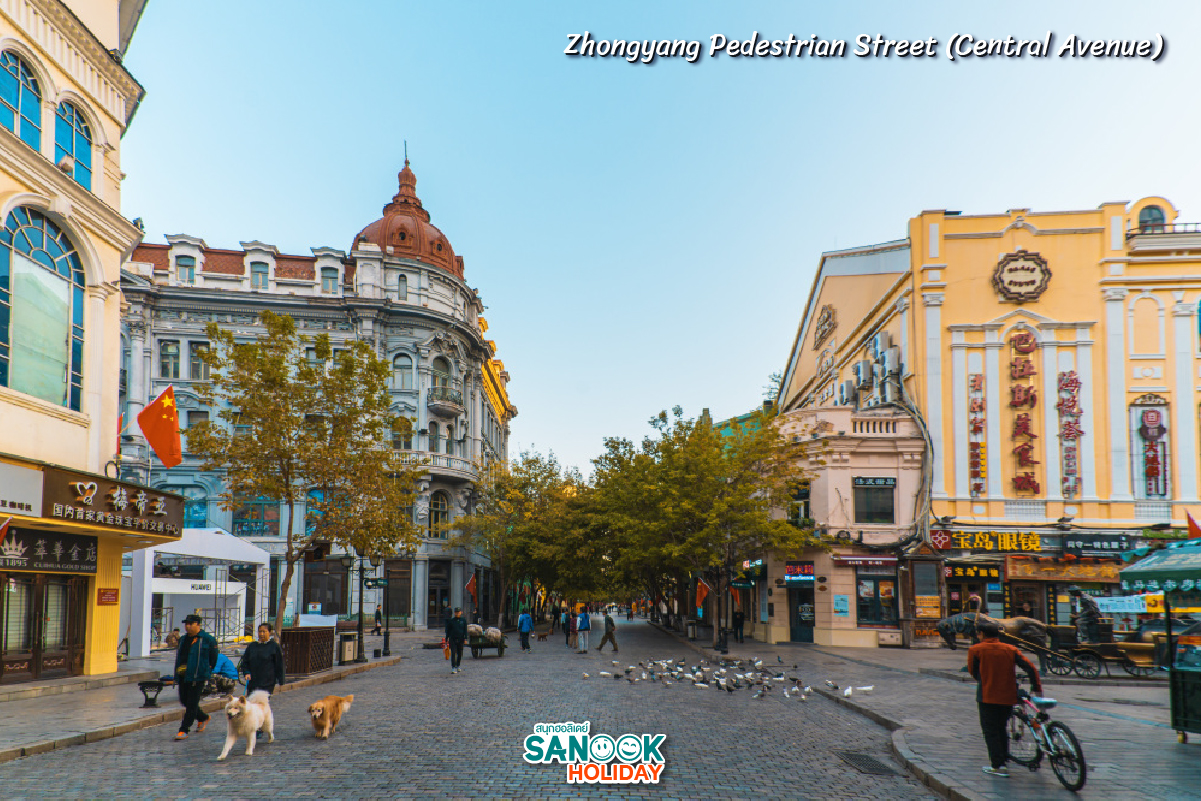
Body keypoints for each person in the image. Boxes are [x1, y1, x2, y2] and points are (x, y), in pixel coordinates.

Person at [967, 620, 1043, 777]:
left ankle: (998, 765)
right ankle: (1004, 758)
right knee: (1002, 727)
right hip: (1008, 696)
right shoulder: (1010, 649)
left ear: (981, 634)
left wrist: (985, 679)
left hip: (987, 695)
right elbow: (1030, 667)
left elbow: (973, 672)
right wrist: (1036, 688)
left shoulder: (976, 649)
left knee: (990, 730)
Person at [174, 614, 218, 741]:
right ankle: (203, 717)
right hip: (183, 675)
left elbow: (213, 657)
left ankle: (183, 729)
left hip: (198, 675)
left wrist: (207, 669)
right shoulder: (183, 639)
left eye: (190, 624)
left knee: (192, 703)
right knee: (184, 701)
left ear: (198, 625)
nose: (187, 626)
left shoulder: (207, 639)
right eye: (186, 624)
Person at [239, 623, 286, 694]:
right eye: (260, 631)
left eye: (264, 631)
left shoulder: (274, 646)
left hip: (267, 682)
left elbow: (279, 664)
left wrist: (281, 681)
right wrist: (246, 672)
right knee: (252, 702)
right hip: (253, 682)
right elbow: (245, 661)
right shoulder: (252, 646)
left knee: (262, 703)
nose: (261, 634)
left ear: (270, 632)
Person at [445, 606, 467, 674]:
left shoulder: (463, 620)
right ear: (454, 613)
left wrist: (465, 638)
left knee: (460, 653)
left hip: (460, 638)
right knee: (453, 653)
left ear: (461, 612)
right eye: (456, 612)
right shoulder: (451, 621)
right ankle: (453, 667)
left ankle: (458, 665)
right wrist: (446, 638)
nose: (457, 613)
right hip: (453, 639)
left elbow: (465, 630)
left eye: (458, 612)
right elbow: (448, 630)